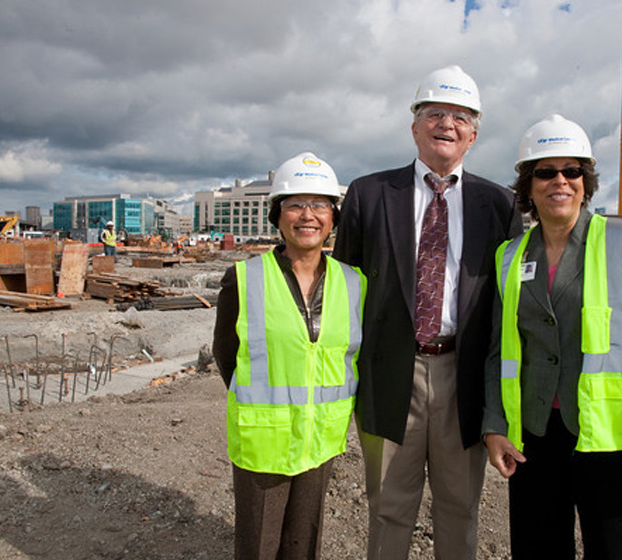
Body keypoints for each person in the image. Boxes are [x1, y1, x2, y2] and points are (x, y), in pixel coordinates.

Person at [482, 114, 622, 559]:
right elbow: (497, 350)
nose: (560, 180)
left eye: (571, 170)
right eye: (545, 171)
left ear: (585, 180)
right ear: (528, 184)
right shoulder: (510, 256)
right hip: (535, 438)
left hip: (611, 441)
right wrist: (495, 426)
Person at [333, 65, 522, 560]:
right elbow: (343, 291)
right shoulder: (369, 195)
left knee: (460, 508)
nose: (447, 124)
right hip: (389, 373)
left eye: (460, 117)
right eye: (434, 113)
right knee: (388, 506)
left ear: (474, 135)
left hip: (465, 376)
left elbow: (507, 304)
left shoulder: (499, 204)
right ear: (414, 126)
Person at [213, 152, 366, 560]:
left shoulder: (354, 283)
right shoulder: (244, 279)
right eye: (295, 204)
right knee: (259, 547)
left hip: (320, 439)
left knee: (304, 546)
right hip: (264, 441)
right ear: (277, 216)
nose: (308, 215)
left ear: (333, 218)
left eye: (319, 205)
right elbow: (225, 354)